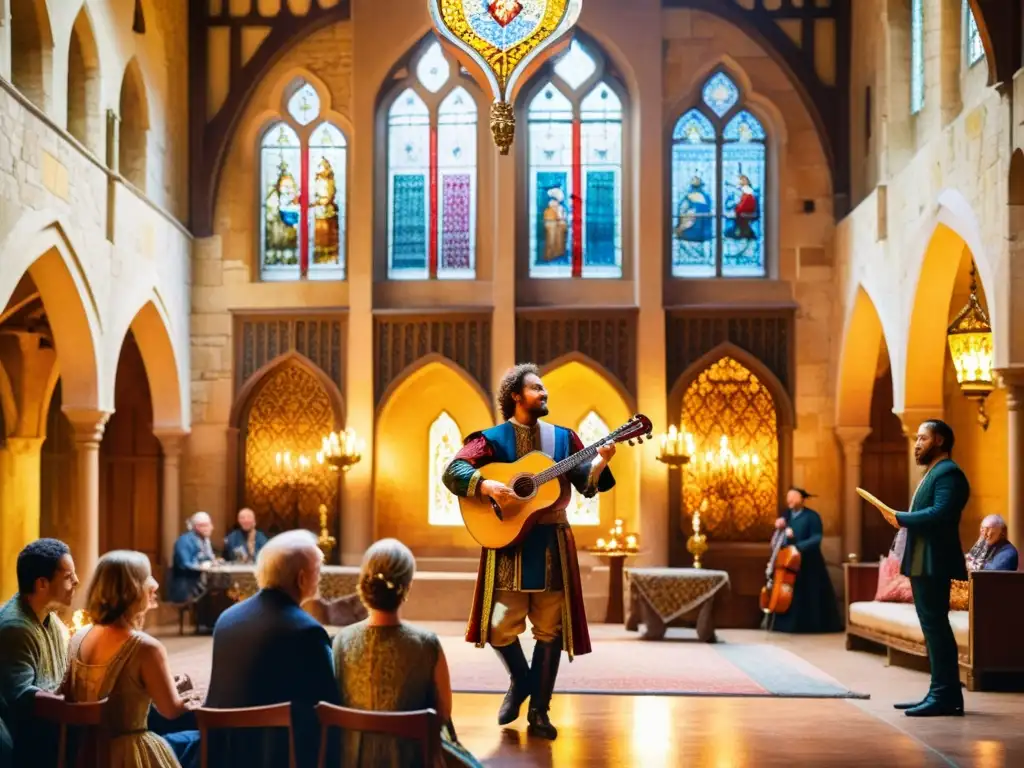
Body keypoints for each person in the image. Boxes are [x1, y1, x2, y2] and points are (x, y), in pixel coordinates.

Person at [442, 363, 615, 740]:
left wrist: (602, 460)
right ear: (515, 396)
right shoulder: (489, 439)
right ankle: (521, 681)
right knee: (499, 625)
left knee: (550, 628)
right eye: (536, 388)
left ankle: (539, 711)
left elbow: (586, 484)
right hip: (508, 546)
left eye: (544, 388)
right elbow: (453, 471)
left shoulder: (564, 439)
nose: (544, 393)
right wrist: (486, 485)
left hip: (552, 544)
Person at [332, 539, 483, 768]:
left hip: (353, 759)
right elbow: (443, 714)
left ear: (364, 581)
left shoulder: (342, 641)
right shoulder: (426, 644)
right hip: (412, 760)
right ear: (407, 586)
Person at [203, 529, 339, 768]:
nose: (320, 578)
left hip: (222, 752)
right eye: (318, 571)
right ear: (301, 579)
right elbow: (328, 704)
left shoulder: (227, 618)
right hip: (276, 756)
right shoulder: (307, 631)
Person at [62, 550, 199, 767]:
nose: (154, 586)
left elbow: (73, 695)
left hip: (86, 751)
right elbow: (170, 710)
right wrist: (191, 698)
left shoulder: (79, 636)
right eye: (147, 578)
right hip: (128, 754)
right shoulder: (145, 647)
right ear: (131, 590)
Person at [890, 419, 970, 717]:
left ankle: (945, 696)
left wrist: (899, 517)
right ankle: (940, 692)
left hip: (934, 560)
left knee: (936, 627)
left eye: (922, 438)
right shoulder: (933, 472)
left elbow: (940, 514)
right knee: (932, 627)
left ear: (939, 441)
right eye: (916, 439)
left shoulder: (949, 472)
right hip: (924, 559)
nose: (917, 443)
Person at [0, 539, 78, 763]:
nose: (77, 581)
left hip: (54, 724)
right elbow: (22, 698)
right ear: (42, 584)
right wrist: (70, 703)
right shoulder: (15, 628)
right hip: (31, 741)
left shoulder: (50, 617)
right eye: (68, 577)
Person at [769, 488, 842, 634]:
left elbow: (816, 538)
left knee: (810, 593)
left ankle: (811, 626)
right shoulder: (787, 516)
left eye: (793, 497)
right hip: (789, 563)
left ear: (802, 499)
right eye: (788, 497)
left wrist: (799, 547)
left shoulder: (812, 516)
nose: (789, 500)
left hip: (809, 562)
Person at [169, 512, 218, 603]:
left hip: (199, 585)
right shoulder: (184, 541)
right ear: (198, 527)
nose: (211, 528)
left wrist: (213, 562)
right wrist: (203, 566)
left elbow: (208, 558)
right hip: (187, 587)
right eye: (208, 525)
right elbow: (185, 564)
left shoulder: (204, 540)